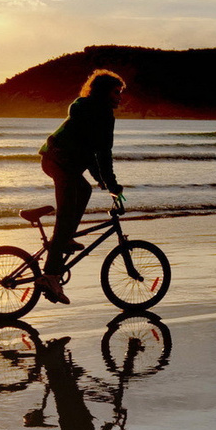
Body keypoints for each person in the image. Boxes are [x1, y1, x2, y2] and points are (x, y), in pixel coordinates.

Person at [36, 69, 125, 304]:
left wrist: (104, 182)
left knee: (84, 191)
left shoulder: (90, 109)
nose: (120, 97)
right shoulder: (101, 113)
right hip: (59, 161)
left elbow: (92, 152)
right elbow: (102, 153)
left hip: (58, 160)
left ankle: (64, 239)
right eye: (117, 92)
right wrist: (111, 183)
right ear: (105, 91)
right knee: (65, 218)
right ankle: (50, 276)